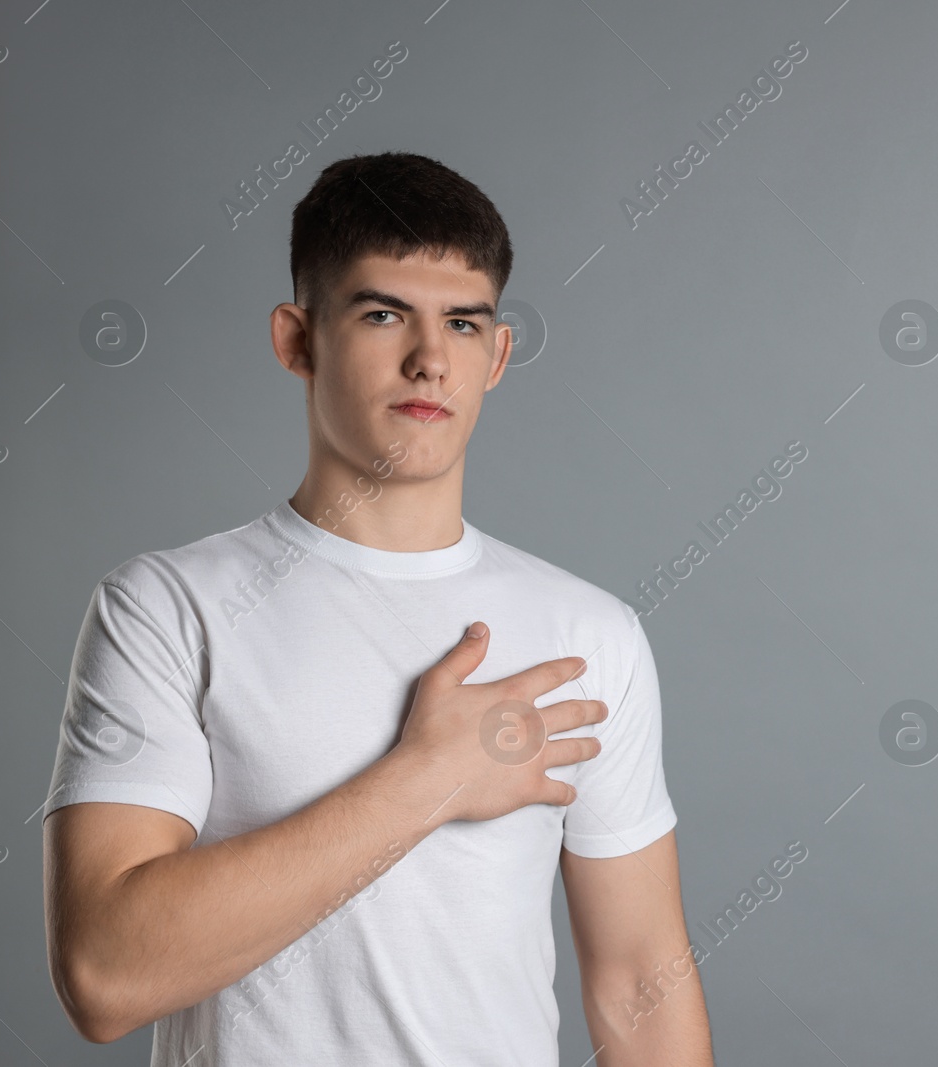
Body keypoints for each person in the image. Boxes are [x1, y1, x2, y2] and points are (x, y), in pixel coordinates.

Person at [41, 151, 714, 1065]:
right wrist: (428, 776)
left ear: (499, 353)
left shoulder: (590, 634)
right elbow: (104, 975)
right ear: (298, 339)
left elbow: (639, 978)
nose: (431, 359)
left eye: (464, 322)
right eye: (383, 313)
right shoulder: (166, 608)